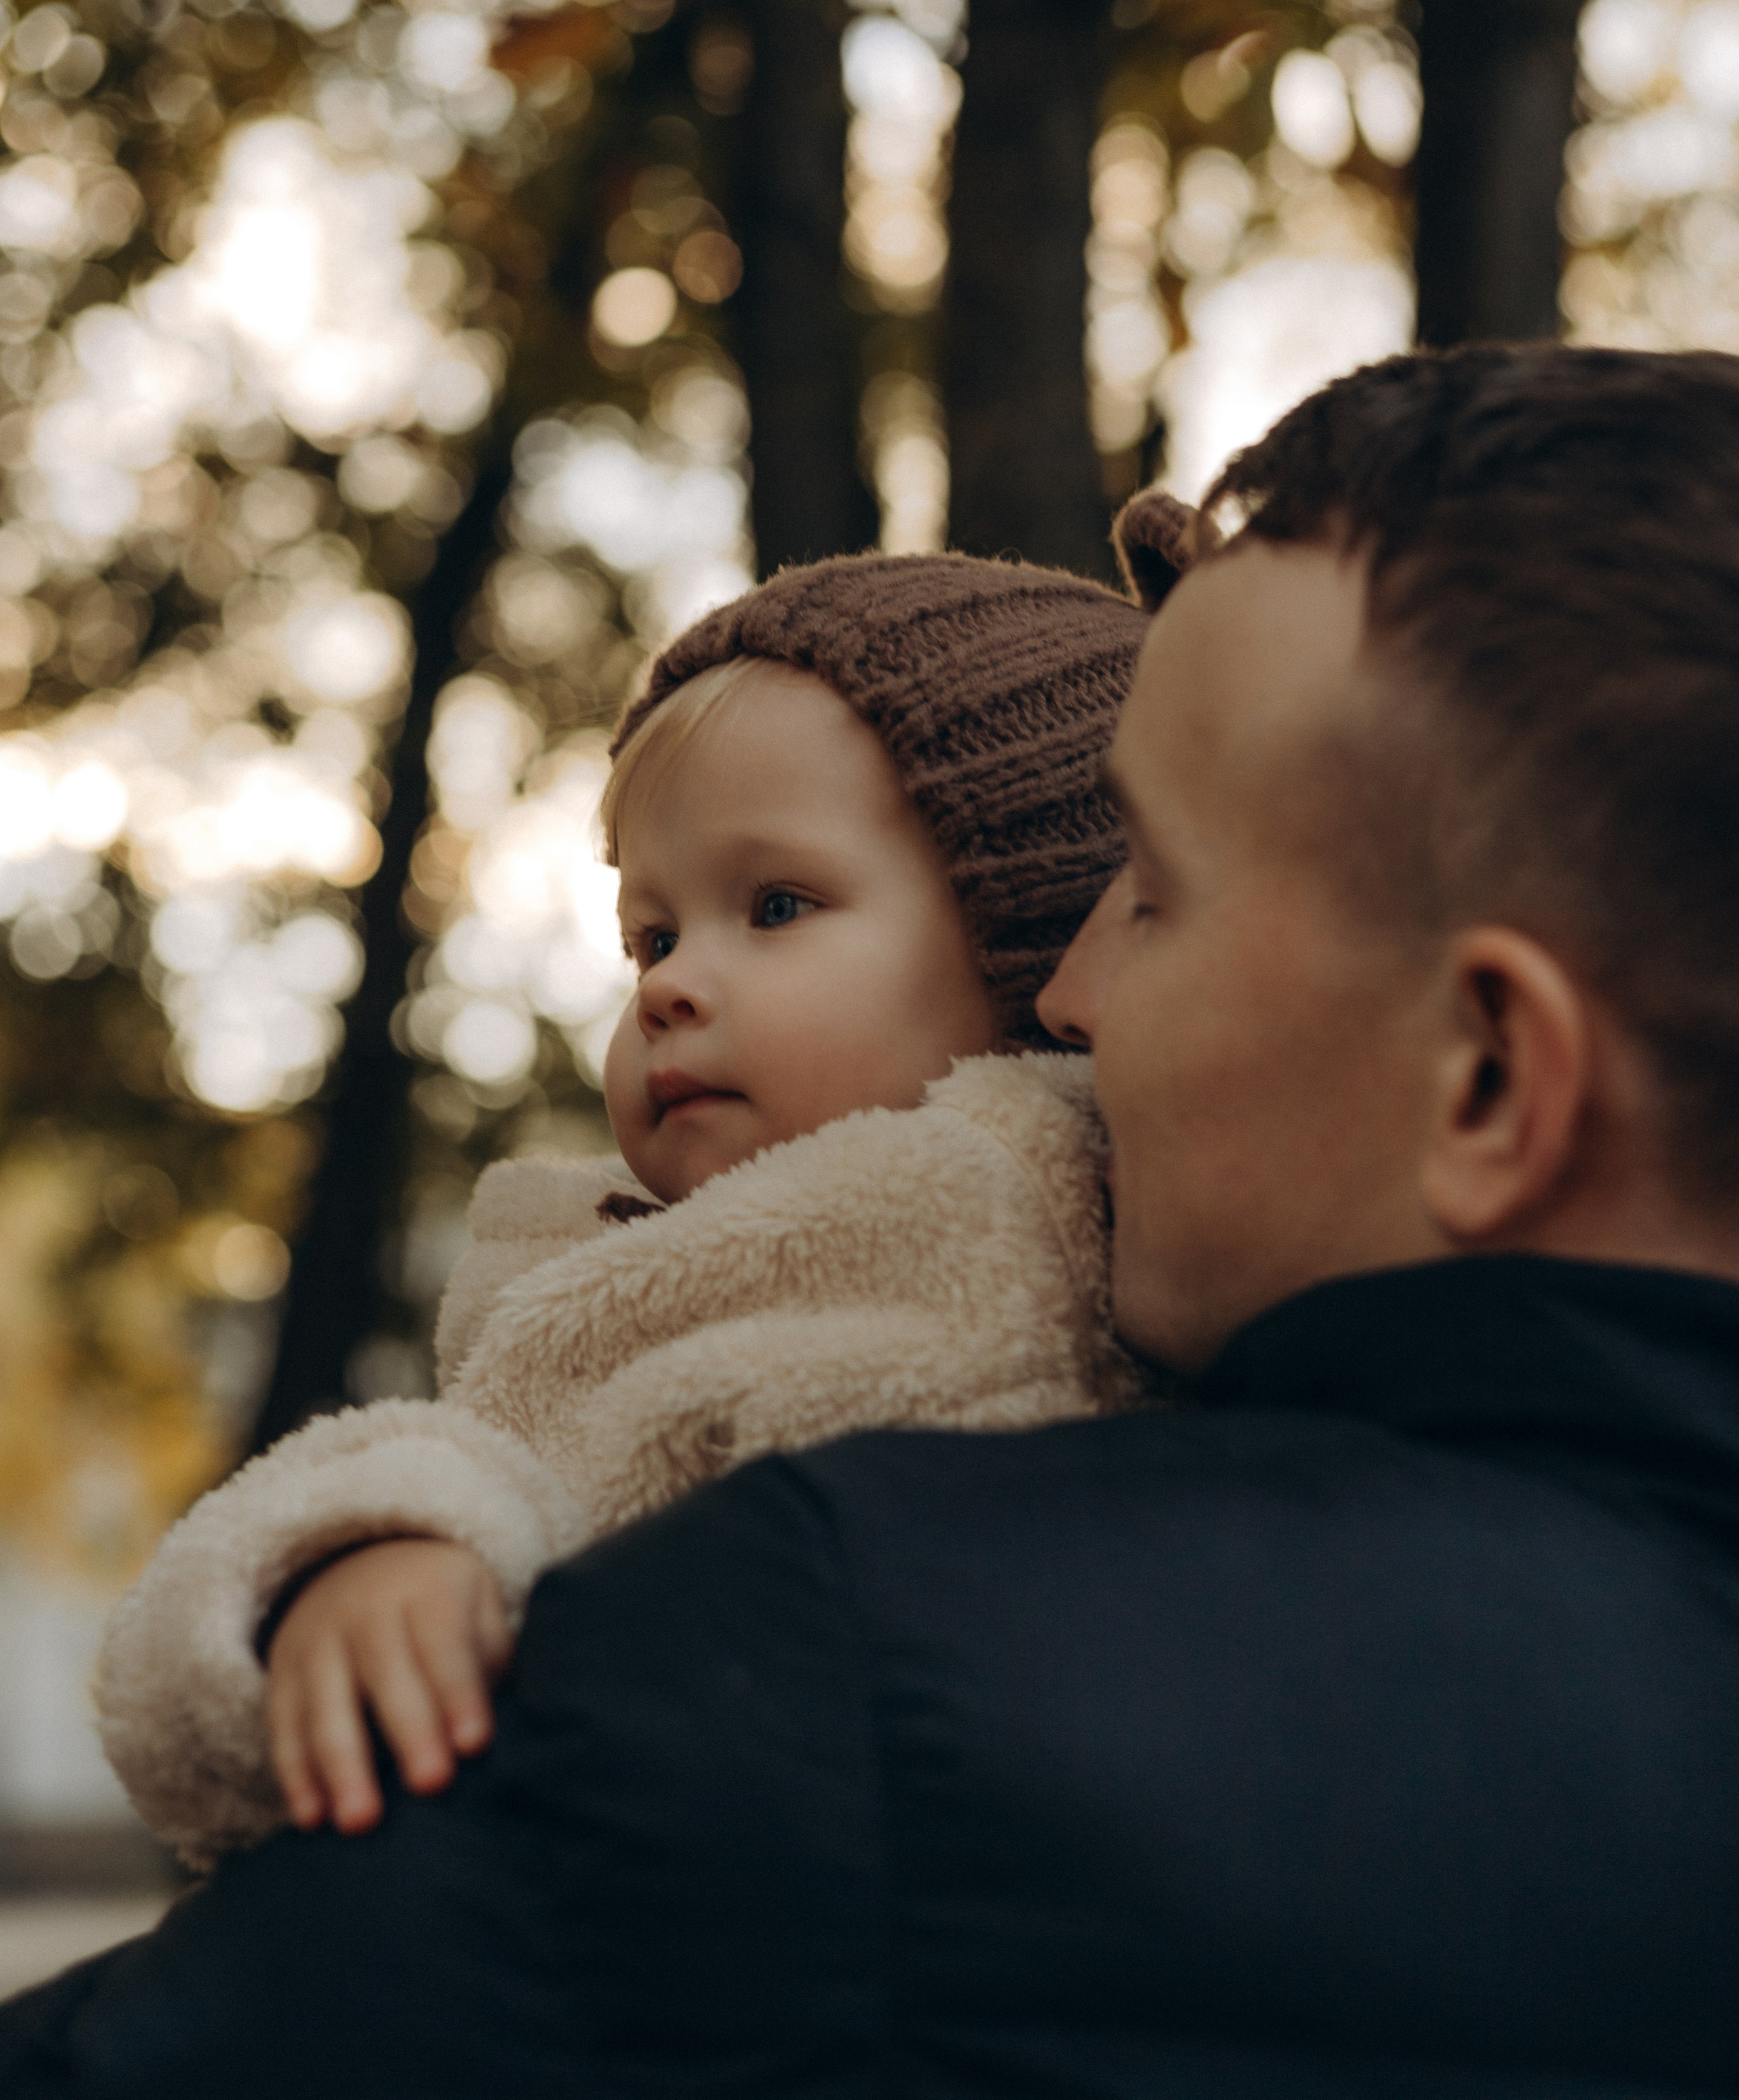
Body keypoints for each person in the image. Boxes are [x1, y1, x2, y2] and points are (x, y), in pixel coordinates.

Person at [11, 338, 1739, 2098]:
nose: (1064, 995)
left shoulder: (844, 1648)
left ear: (1489, 1079)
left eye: (1153, 889)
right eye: (651, 935)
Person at [92, 550, 1154, 1868]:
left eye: (774, 906)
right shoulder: (563, 1266)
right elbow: (440, 1465)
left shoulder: (1067, 1221)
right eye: (648, 938)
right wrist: (355, 1555)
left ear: (1029, 938)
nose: (667, 987)